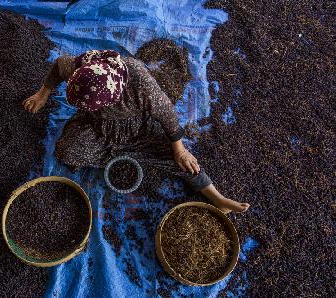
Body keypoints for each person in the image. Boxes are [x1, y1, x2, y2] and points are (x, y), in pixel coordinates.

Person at [23, 50, 249, 213]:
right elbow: (59, 65)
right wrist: (42, 94)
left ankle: (217, 198)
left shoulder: (143, 86)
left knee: (180, 160)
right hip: (96, 126)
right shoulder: (82, 66)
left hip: (137, 128)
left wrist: (179, 150)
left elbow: (168, 116)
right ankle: (130, 156)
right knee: (66, 151)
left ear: (112, 98)